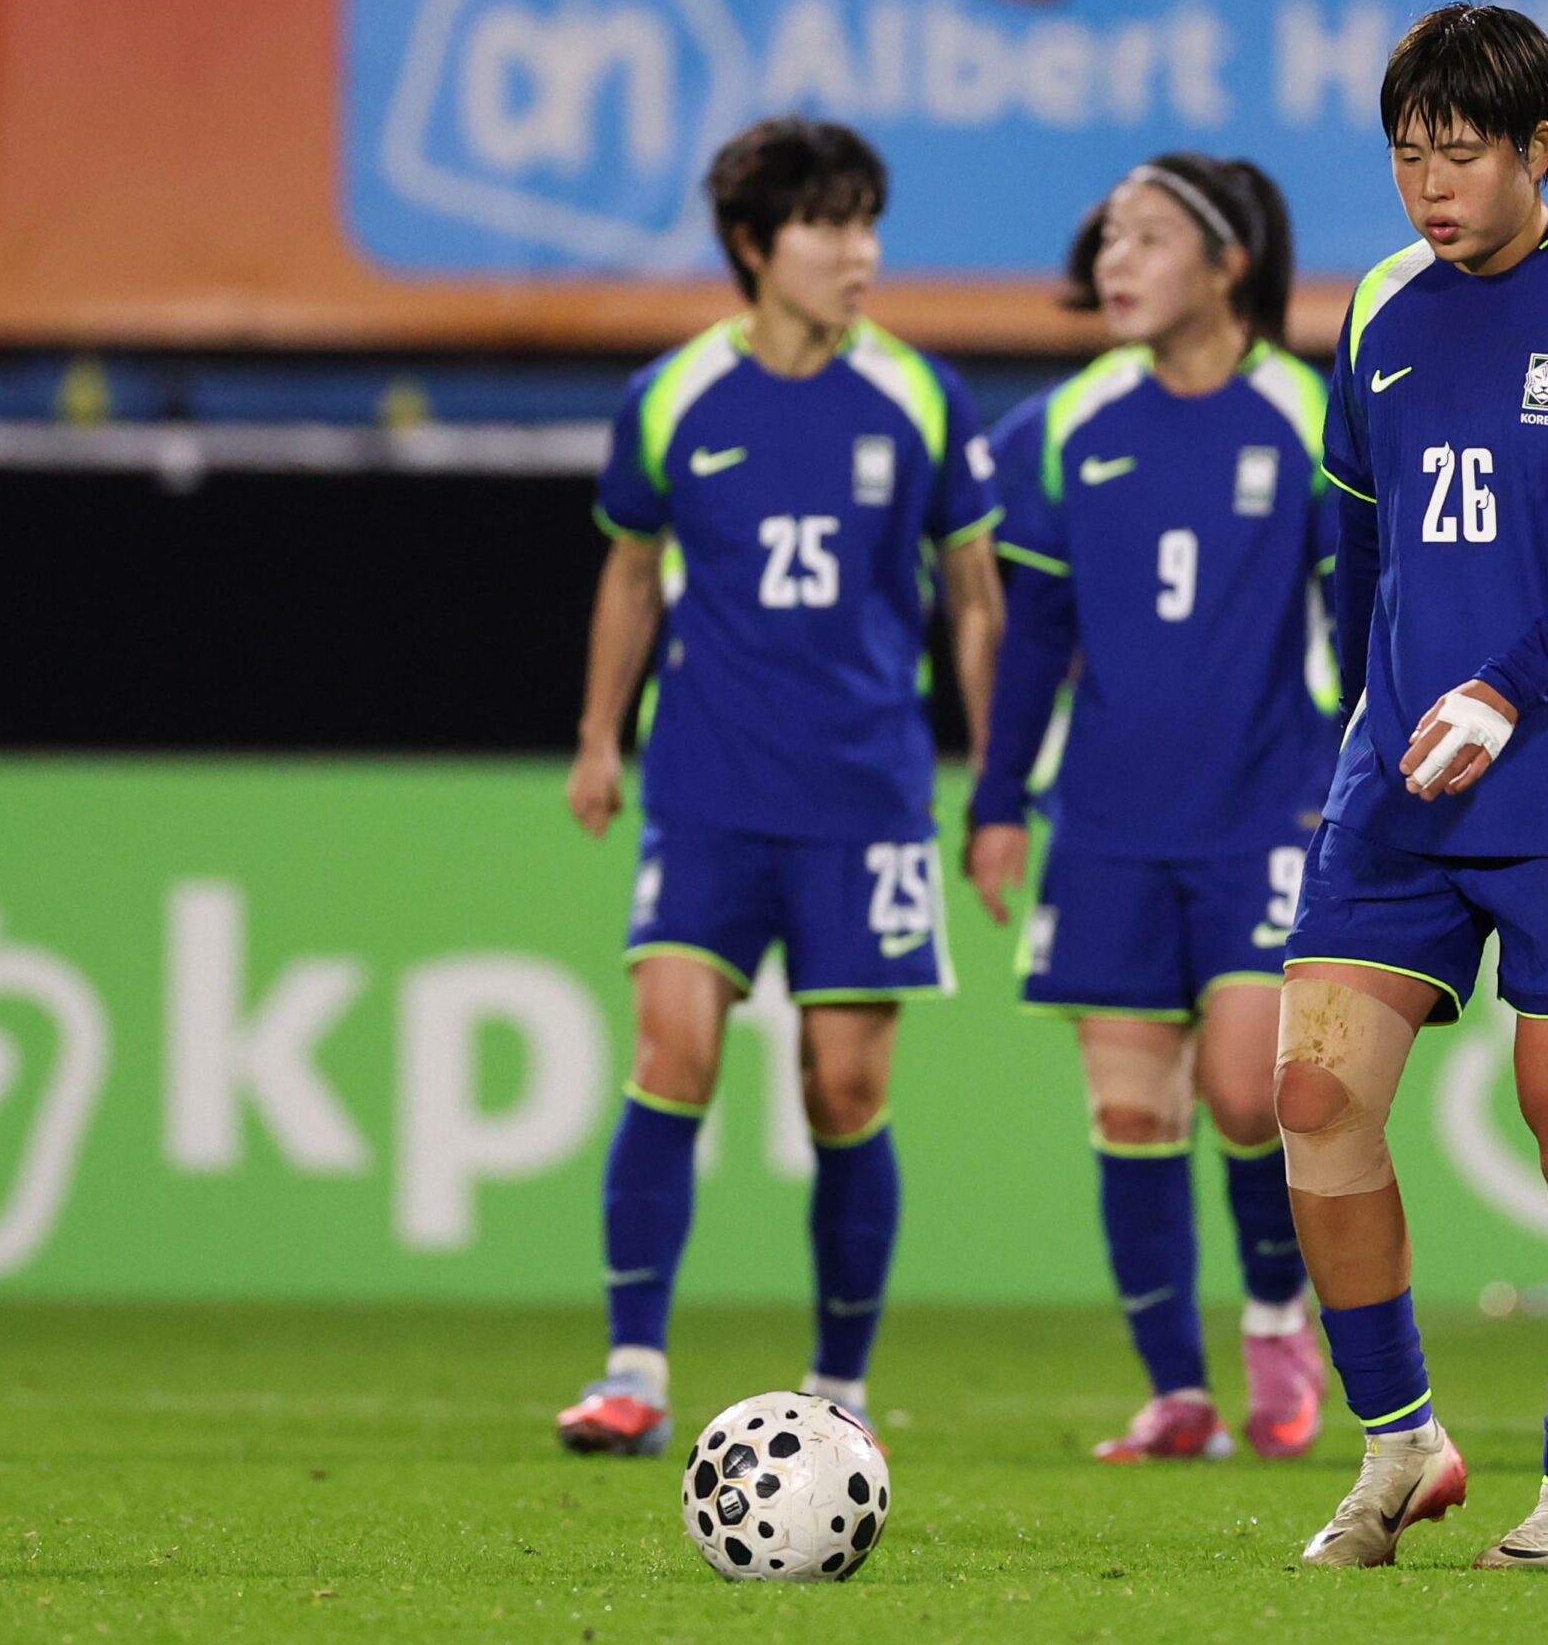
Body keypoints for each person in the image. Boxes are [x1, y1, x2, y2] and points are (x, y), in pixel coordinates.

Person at [1278, 4, 1548, 1568]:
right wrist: (1360, 715)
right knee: (1313, 1098)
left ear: (1540, 148)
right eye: (1406, 153)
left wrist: (1496, 690)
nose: (1428, 186)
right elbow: (1356, 538)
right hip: (1403, 777)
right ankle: (1402, 1446)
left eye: (1459, 153)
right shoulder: (1380, 306)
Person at [555, 117, 1004, 1455]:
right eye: (829, 226)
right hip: (704, 786)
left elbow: (977, 601)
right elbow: (630, 572)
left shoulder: (921, 398)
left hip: (866, 794)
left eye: (869, 223)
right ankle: (634, 1367)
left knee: (844, 1091)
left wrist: (992, 785)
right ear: (757, 245)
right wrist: (597, 733)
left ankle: (842, 1386)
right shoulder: (672, 397)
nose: (860, 251)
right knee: (671, 1050)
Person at [966, 153, 1340, 1464]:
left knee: (1251, 1091)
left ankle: (1280, 1315)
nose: (1116, 262)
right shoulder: (1065, 426)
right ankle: (1178, 1392)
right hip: (1110, 819)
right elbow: (1030, 633)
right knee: (1132, 1112)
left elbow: (1359, 624)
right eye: (1108, 239)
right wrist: (1001, 797)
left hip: (1266, 810)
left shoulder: (1310, 414)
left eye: (1151, 236)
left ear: (1229, 264)